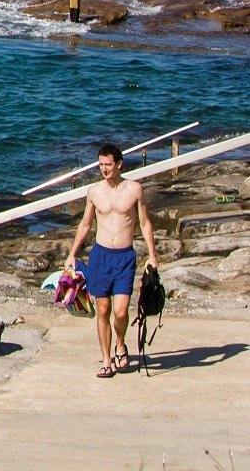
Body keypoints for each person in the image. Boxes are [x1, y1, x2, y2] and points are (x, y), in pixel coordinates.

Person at [66, 142, 159, 376]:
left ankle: (120, 343)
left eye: (108, 165)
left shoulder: (134, 189)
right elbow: (86, 224)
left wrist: (152, 255)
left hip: (124, 257)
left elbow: (145, 222)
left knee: (120, 311)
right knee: (103, 309)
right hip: (100, 256)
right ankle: (107, 361)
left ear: (119, 164)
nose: (103, 169)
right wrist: (72, 253)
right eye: (100, 165)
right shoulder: (94, 192)